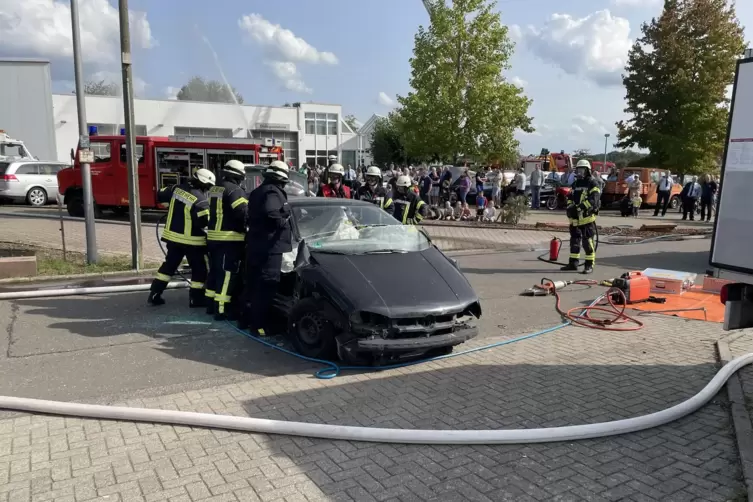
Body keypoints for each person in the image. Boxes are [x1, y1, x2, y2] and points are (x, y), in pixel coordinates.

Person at [239, 160, 292, 336]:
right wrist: (284, 221)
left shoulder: (256, 192)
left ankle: (245, 320)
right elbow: (272, 213)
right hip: (270, 249)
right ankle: (259, 326)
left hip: (255, 246)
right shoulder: (272, 191)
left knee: (252, 285)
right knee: (267, 287)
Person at [148, 168, 215, 307]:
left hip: (172, 238)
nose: (208, 189)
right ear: (203, 183)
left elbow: (160, 194)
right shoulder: (201, 201)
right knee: (199, 270)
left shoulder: (175, 188)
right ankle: (195, 299)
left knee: (169, 267)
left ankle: (154, 294)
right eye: (208, 187)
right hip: (193, 241)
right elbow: (203, 222)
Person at [204, 160, 248, 321]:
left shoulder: (216, 188)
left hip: (214, 237)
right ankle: (221, 310)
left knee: (215, 273)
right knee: (228, 275)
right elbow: (243, 213)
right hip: (230, 239)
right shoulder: (235, 190)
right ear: (239, 175)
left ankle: (210, 304)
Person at [561, 160, 600, 274]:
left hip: (587, 218)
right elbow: (569, 196)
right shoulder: (575, 183)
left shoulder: (593, 183)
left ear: (587, 171)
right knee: (574, 241)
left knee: (587, 242)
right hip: (575, 218)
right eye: (578, 170)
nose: (580, 172)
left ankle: (589, 265)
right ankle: (573, 263)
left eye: (582, 170)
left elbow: (594, 199)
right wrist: (569, 207)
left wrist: (580, 208)